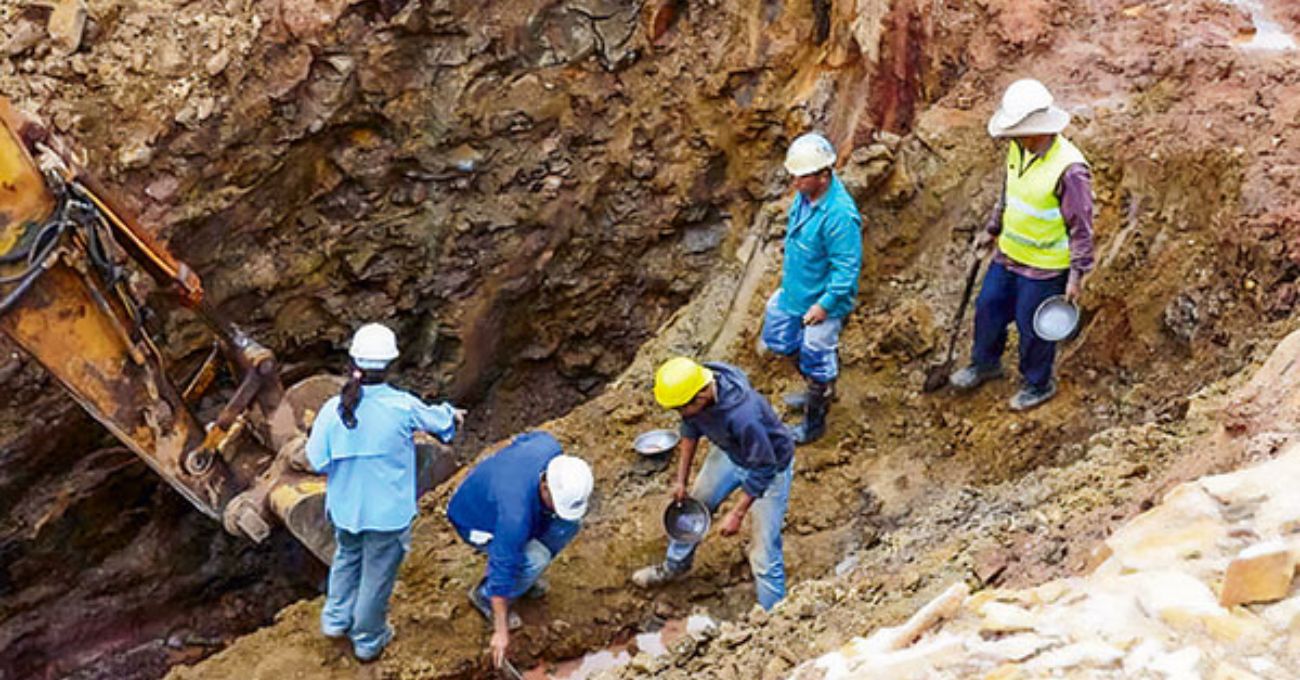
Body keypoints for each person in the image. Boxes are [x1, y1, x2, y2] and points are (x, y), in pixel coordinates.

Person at [305, 322, 464, 662]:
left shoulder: (332, 410)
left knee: (346, 558)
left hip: (345, 509)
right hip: (386, 515)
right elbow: (442, 425)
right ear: (391, 365)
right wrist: (452, 415)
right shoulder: (401, 406)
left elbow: (316, 459)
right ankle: (367, 639)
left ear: (353, 362)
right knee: (376, 576)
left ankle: (335, 620)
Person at [950, 78, 1095, 410]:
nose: (1012, 138)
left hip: (1045, 268)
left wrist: (1076, 276)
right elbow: (1008, 194)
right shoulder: (1018, 150)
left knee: (1033, 327)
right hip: (1009, 255)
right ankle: (985, 363)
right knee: (988, 308)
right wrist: (992, 229)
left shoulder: (1070, 170)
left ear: (1038, 129)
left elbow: (1082, 229)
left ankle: (1038, 383)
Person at [631, 357, 795, 611]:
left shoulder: (744, 415)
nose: (681, 414)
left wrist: (737, 513)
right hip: (731, 454)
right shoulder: (696, 385)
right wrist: (681, 480)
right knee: (690, 509)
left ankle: (773, 620)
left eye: (682, 408)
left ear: (703, 395)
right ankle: (674, 567)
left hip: (770, 467)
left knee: (764, 554)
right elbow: (690, 427)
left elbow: (765, 467)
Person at [447, 431, 594, 668]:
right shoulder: (514, 516)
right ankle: (483, 597)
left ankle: (525, 575)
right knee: (534, 559)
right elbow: (501, 566)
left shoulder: (549, 447)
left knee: (567, 525)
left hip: (512, 502)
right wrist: (501, 630)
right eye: (557, 503)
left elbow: (518, 440)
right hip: (475, 520)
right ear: (545, 486)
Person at [759, 132, 863, 444]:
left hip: (821, 302)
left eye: (801, 177)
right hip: (795, 293)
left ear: (823, 175)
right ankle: (814, 386)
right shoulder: (805, 198)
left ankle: (815, 419)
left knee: (817, 354)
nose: (794, 183)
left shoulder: (840, 216)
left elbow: (846, 270)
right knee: (778, 336)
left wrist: (824, 305)